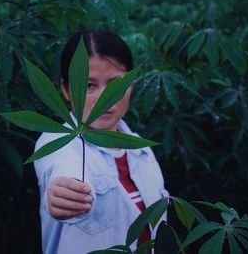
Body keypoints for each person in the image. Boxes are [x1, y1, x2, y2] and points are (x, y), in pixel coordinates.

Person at [34, 30, 168, 254]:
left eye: (115, 83)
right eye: (88, 85)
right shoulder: (58, 142)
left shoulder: (142, 149)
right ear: (66, 89)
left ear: (131, 85)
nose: (104, 98)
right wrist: (65, 193)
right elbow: (62, 169)